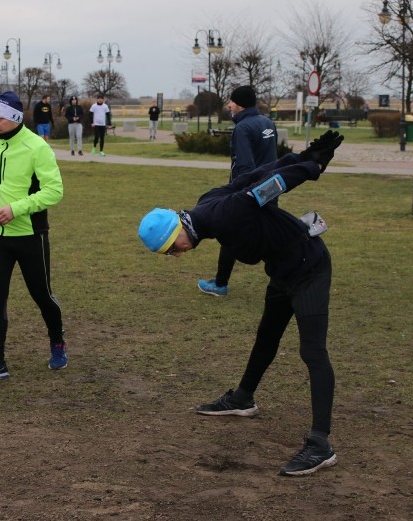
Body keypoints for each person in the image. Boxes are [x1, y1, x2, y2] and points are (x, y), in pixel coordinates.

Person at [137, 130, 345, 476]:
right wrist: (303, 153)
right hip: (283, 269)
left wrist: (313, 164)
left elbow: (270, 185)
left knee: (313, 352)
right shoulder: (206, 207)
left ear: (177, 233)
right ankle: (241, 399)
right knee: (266, 337)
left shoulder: (223, 214)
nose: (176, 255)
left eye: (172, 249)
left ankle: (320, 443)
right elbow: (253, 175)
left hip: (308, 266)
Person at [0, 91, 67, 383]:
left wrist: (17, 209)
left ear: (14, 118)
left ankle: (57, 341)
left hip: (29, 235)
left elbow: (54, 190)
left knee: (42, 295)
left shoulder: (37, 147)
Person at [197, 86, 278, 297]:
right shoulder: (267, 122)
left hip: (250, 190)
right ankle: (287, 277)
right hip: (271, 186)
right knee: (269, 231)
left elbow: (244, 166)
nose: (228, 106)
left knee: (230, 231)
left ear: (240, 104)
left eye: (231, 102)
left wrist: (241, 194)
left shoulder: (243, 128)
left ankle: (220, 284)